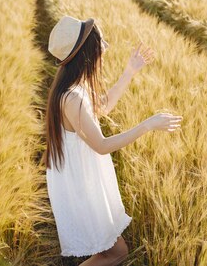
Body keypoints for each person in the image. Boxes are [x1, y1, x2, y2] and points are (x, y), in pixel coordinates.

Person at [42, 15, 182, 266]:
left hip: (82, 179)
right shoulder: (72, 98)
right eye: (100, 43)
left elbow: (103, 106)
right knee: (116, 252)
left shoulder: (76, 86)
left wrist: (129, 72)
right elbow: (102, 145)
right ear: (87, 52)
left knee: (113, 250)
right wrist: (147, 125)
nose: (104, 48)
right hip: (81, 186)